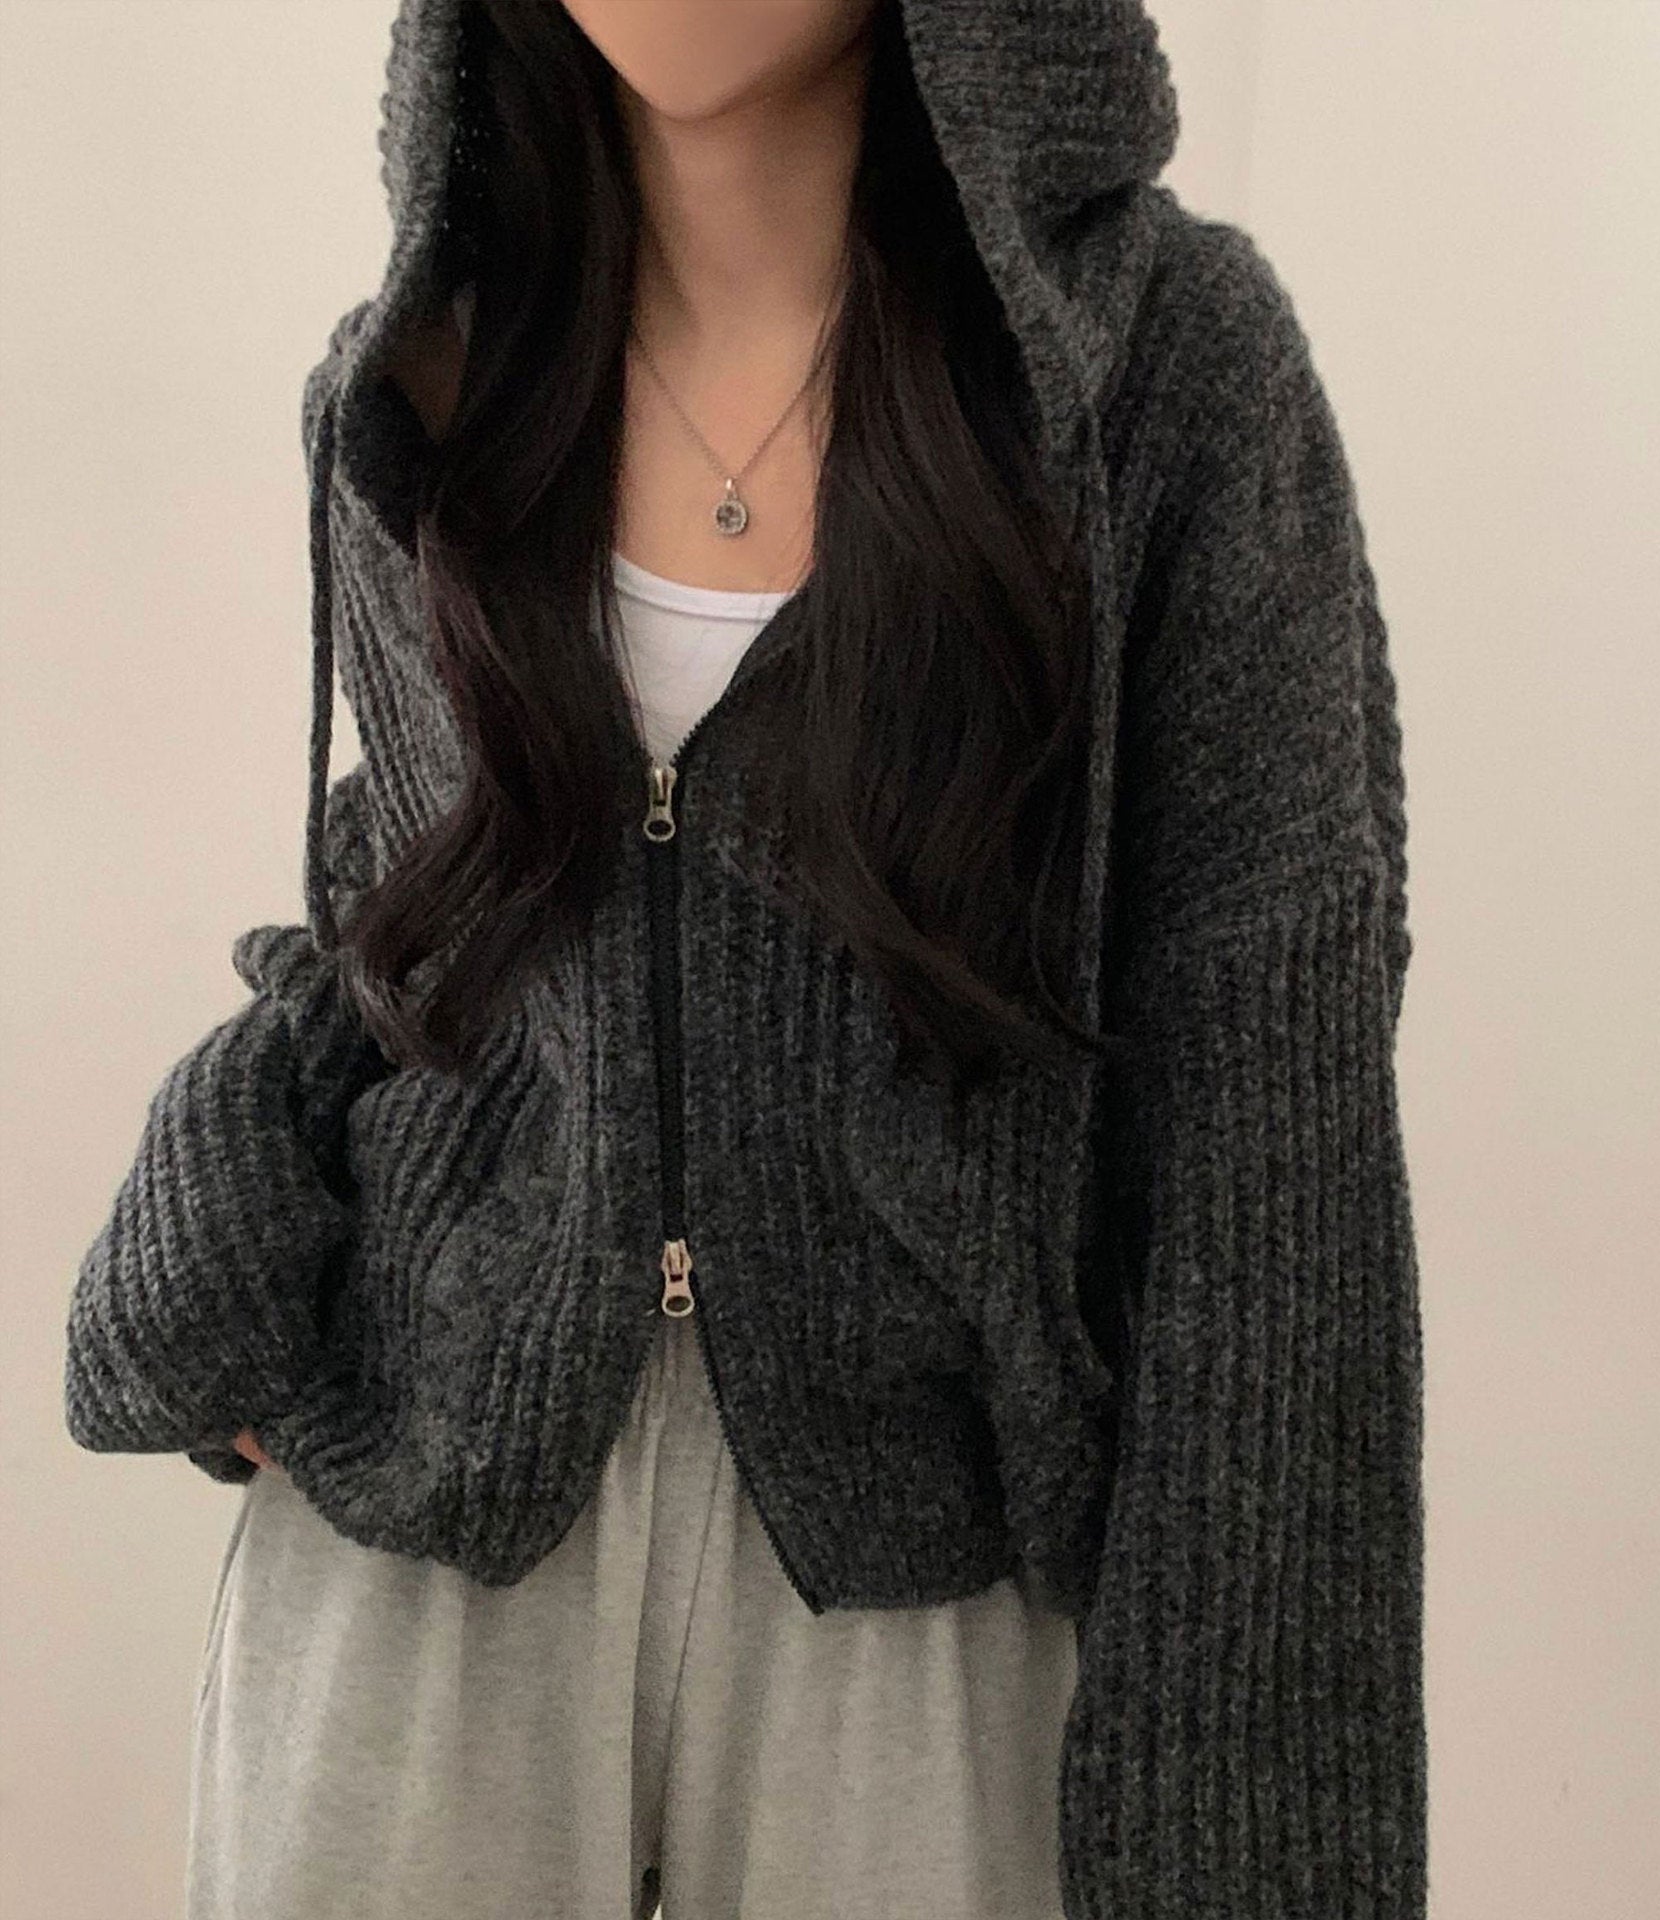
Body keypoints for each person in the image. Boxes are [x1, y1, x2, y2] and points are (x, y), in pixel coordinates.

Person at [62, 2, 1429, 1916]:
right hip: (424, 1519)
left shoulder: (1161, 373)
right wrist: (228, 1198)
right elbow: (412, 900)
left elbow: (1270, 1123)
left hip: (926, 1570)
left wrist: (1257, 1824)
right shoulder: (418, 378)